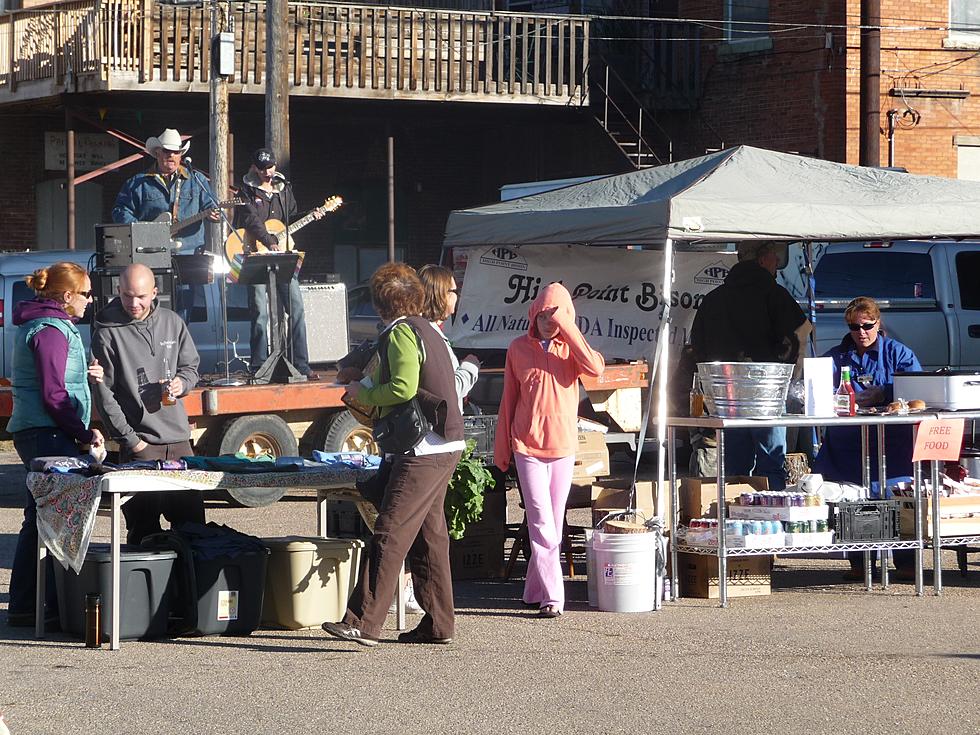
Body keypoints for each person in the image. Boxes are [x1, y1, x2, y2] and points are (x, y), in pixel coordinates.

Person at [322, 263, 463, 647]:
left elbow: (402, 387)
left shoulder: (401, 333)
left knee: (390, 531)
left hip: (423, 448)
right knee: (429, 537)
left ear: (380, 304)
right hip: (444, 444)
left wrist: (362, 394)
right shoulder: (426, 330)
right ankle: (438, 624)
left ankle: (363, 621)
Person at [494, 282, 604, 618]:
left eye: (555, 315)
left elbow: (596, 368)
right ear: (534, 314)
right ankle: (554, 597)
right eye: (543, 314)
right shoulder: (517, 349)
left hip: (563, 448)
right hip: (526, 446)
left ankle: (533, 590)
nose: (548, 321)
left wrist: (568, 327)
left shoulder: (571, 349)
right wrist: (502, 447)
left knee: (552, 525)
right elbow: (508, 399)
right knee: (541, 523)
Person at [5, 262, 105, 627]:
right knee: (48, 521)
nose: (90, 301)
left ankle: (28, 604)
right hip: (46, 433)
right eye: (86, 294)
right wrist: (82, 432)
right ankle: (36, 604)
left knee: (41, 518)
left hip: (43, 430)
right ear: (67, 297)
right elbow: (53, 394)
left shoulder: (48, 325)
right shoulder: (49, 331)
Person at [90, 264, 204, 544]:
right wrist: (132, 442)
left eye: (141, 296)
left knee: (193, 530)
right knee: (143, 532)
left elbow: (191, 367)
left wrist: (182, 383)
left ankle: (187, 587)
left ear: (155, 292)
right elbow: (105, 395)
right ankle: (144, 585)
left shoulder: (172, 322)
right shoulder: (107, 333)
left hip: (179, 442)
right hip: (140, 446)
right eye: (127, 295)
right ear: (118, 291)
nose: (134, 303)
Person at [813, 296, 922, 581]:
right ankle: (861, 561)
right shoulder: (835, 356)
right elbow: (817, 390)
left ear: (878, 323)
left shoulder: (898, 353)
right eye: (853, 326)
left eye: (867, 325)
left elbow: (916, 390)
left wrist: (885, 393)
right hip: (849, 444)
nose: (861, 332)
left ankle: (906, 559)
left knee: (897, 498)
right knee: (854, 498)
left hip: (892, 443)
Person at [689, 242, 812, 491]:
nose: (777, 263)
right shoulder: (775, 295)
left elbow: (697, 343)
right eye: (775, 258)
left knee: (735, 468)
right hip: (766, 397)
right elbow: (800, 334)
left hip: (729, 400)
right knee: (770, 465)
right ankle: (771, 516)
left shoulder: (714, 299)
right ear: (763, 259)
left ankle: (736, 515)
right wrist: (786, 374)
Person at [232, 148, 318, 379]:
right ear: (254, 169)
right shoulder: (246, 190)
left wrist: (313, 215)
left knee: (296, 307)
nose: (268, 173)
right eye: (263, 169)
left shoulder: (283, 188)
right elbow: (250, 219)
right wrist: (268, 241)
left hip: (282, 255)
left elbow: (289, 218)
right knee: (259, 310)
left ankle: (300, 364)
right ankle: (259, 365)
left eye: (271, 167)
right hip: (255, 254)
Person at [112, 128, 219, 251]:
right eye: (167, 151)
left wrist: (215, 215)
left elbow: (212, 206)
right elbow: (120, 211)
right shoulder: (137, 182)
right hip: (151, 250)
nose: (171, 155)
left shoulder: (196, 179)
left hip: (189, 250)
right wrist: (141, 230)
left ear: (181, 155)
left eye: (176, 152)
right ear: (157, 153)